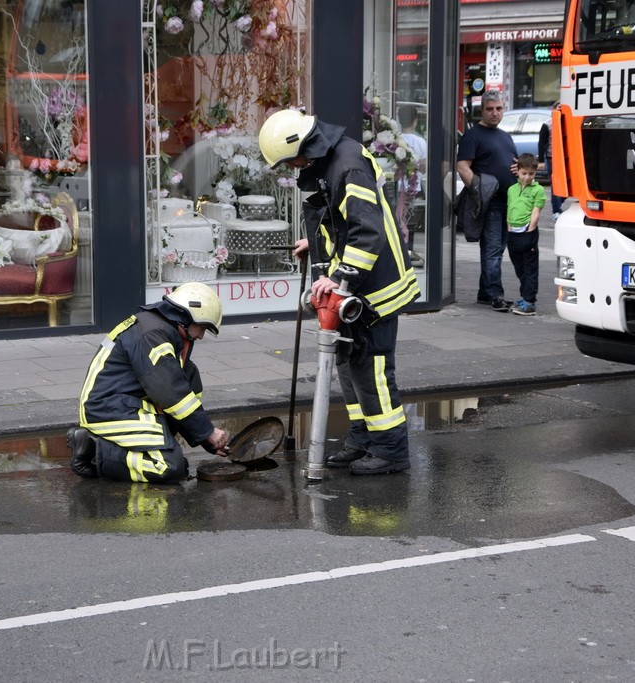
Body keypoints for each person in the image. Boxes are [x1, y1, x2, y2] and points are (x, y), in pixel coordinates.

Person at [258, 109, 420, 476]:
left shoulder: (349, 166)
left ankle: (391, 450)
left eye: (291, 160)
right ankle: (364, 438)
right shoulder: (330, 160)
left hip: (375, 290)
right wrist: (314, 243)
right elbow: (338, 220)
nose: (293, 167)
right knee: (349, 368)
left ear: (304, 148)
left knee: (373, 371)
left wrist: (339, 276)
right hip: (353, 288)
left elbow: (368, 231)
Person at [68, 282, 230, 483]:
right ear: (186, 317)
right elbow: (170, 392)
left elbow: (183, 391)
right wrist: (207, 431)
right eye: (202, 327)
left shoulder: (165, 331)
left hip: (125, 403)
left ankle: (147, 446)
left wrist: (207, 439)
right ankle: (93, 448)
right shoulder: (152, 334)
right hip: (105, 408)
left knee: (189, 375)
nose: (201, 335)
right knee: (168, 468)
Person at [456, 91, 518, 312]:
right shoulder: (473, 135)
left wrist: (517, 168)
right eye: (490, 109)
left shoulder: (505, 136)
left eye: (499, 109)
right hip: (490, 203)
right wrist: (480, 190)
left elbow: (511, 163)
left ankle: (484, 293)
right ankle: (495, 295)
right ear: (482, 110)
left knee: (498, 249)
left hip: (508, 202)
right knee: (492, 250)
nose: (495, 113)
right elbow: (463, 166)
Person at [505, 153, 546, 316]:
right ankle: (525, 296)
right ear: (518, 171)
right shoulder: (512, 189)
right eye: (524, 173)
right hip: (513, 234)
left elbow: (536, 212)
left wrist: (530, 230)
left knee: (530, 269)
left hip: (527, 233)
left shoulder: (538, 190)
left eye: (531, 174)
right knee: (519, 268)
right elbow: (510, 209)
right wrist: (509, 228)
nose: (527, 177)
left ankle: (530, 302)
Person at [398, 105, 427, 268]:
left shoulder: (394, 139)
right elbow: (423, 167)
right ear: (415, 122)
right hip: (413, 188)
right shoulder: (420, 142)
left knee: (397, 219)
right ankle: (408, 251)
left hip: (397, 188)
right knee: (410, 221)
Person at [538, 101, 565, 220]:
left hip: (565, 158)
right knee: (556, 185)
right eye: (558, 108)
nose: (560, 110)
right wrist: (541, 161)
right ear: (553, 109)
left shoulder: (567, 122)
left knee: (566, 185)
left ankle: (558, 203)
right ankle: (556, 210)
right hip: (552, 158)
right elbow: (541, 143)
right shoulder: (547, 124)